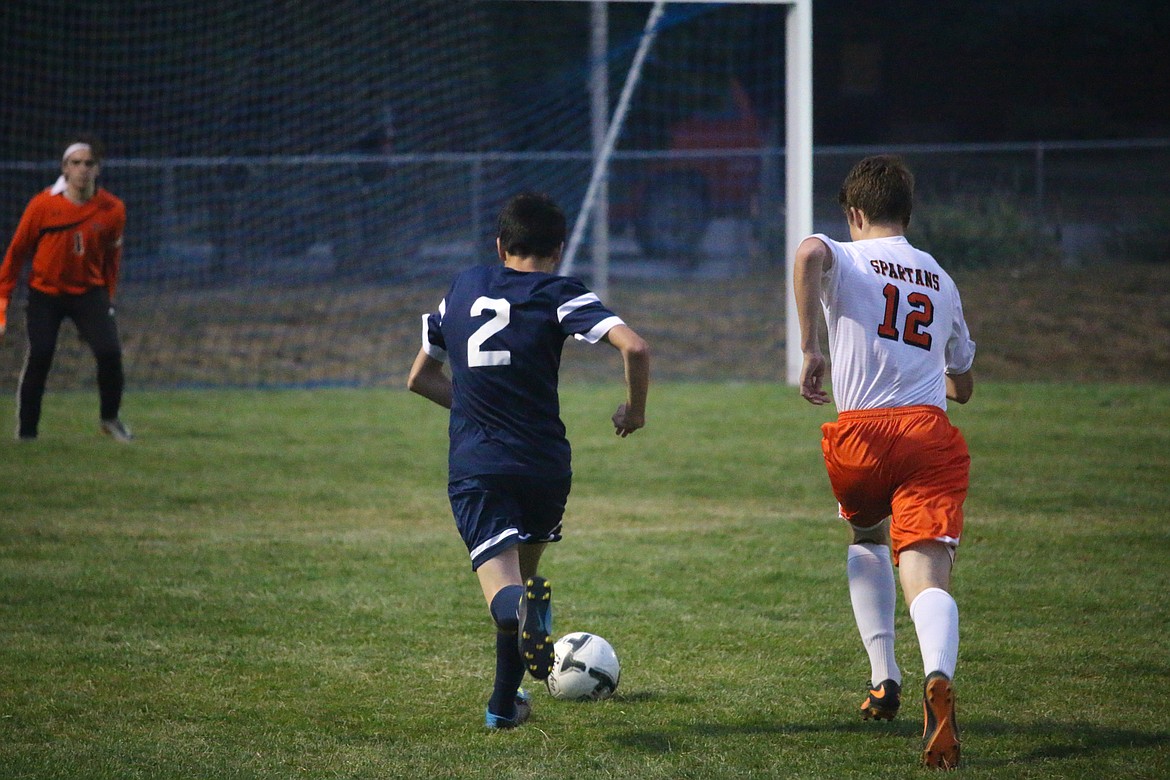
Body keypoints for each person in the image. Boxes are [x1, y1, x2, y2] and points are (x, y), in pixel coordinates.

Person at [407, 192, 650, 729]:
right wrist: (633, 410)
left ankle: (517, 639)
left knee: (506, 594)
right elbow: (634, 347)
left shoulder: (464, 287)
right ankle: (503, 707)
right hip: (544, 465)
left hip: (480, 464)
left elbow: (419, 378)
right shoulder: (559, 292)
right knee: (521, 589)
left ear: (500, 245)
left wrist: (472, 404)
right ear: (558, 249)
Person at [792, 155, 975, 769]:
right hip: (925, 434)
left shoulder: (843, 253)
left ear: (855, 213)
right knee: (926, 570)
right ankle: (938, 676)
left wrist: (812, 348)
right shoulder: (941, 279)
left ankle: (883, 676)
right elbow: (964, 382)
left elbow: (805, 256)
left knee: (866, 535)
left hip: (860, 437)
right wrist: (920, 376)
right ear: (908, 214)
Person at [0, 138, 132, 442]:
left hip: (89, 293)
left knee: (110, 352)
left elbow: (112, 260)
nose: (83, 170)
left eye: (89, 164)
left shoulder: (113, 209)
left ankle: (110, 419)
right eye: (76, 163)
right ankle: (28, 432)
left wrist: (108, 299)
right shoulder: (43, 204)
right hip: (46, 294)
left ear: (98, 169)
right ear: (65, 168)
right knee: (41, 354)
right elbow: (16, 253)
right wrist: (2, 299)